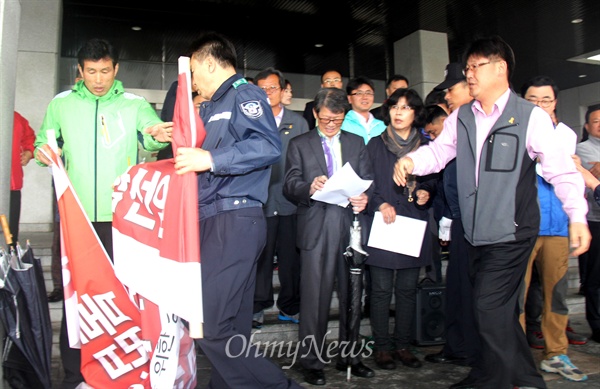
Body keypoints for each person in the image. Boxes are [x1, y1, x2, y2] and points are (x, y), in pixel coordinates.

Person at [392, 35, 590, 389]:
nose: (469, 74)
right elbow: (439, 153)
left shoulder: (530, 117)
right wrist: (411, 160)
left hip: (513, 232)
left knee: (487, 306)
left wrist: (577, 215)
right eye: (467, 67)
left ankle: (492, 380)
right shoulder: (462, 117)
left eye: (475, 66)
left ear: (500, 68)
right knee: (494, 311)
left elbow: (561, 170)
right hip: (474, 232)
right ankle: (527, 379)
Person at [34, 38, 173, 389]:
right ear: (80, 71)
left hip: (121, 219)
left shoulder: (133, 103)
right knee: (75, 296)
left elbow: (152, 136)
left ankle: (123, 364)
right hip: (76, 219)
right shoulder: (61, 104)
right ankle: (73, 373)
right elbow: (43, 141)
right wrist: (42, 152)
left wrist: (157, 135)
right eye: (92, 71)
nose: (99, 79)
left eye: (106, 71)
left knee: (123, 294)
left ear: (116, 69)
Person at [172, 31, 302, 389]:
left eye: (196, 72)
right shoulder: (210, 107)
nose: (194, 82)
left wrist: (210, 158)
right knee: (232, 326)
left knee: (210, 325)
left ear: (210, 63)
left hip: (233, 218)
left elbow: (266, 145)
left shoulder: (244, 94)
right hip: (217, 218)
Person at [283, 87, 375, 386]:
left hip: (350, 226)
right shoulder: (300, 144)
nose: (331, 124)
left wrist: (365, 197)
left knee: (352, 295)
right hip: (316, 227)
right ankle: (312, 361)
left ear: (344, 116)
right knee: (315, 298)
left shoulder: (356, 142)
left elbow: (367, 180)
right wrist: (310, 186)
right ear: (315, 114)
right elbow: (289, 184)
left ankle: (351, 356)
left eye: (336, 119)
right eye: (325, 119)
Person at [517, 75, 587, 381]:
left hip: (557, 226)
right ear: (523, 102)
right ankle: (515, 357)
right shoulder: (514, 133)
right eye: (532, 100)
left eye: (545, 100)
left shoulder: (566, 134)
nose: (539, 105)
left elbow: (562, 176)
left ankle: (556, 354)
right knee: (516, 297)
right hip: (522, 227)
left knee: (555, 296)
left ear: (555, 103)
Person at [365, 88, 437, 371]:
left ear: (416, 113)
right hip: (384, 222)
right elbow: (366, 181)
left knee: (407, 290)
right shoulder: (375, 144)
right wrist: (380, 204)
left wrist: (426, 193)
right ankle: (382, 348)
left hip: (413, 224)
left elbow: (434, 178)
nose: (398, 112)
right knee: (381, 291)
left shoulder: (427, 145)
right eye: (394, 106)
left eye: (406, 108)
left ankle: (404, 346)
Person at [424, 63, 479, 369]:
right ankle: (455, 345)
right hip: (459, 219)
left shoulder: (482, 122)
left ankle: (471, 350)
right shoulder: (460, 121)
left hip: (477, 222)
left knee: (471, 290)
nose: (447, 95)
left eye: (451, 88)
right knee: (456, 287)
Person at [252, 67, 308, 329]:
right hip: (260, 203)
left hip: (290, 203)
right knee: (260, 259)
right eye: (261, 89)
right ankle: (258, 306)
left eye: (272, 88)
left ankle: (290, 306)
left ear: (283, 90)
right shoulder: (248, 121)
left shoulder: (299, 123)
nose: (267, 93)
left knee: (290, 260)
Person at [575, 104, 600, 344]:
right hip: (594, 219)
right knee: (595, 278)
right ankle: (597, 324)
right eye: (596, 121)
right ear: (587, 126)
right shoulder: (580, 149)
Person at [9, 111, 35, 247]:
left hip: (11, 187)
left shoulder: (14, 117)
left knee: (10, 236)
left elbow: (30, 138)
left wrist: (29, 152)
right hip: (10, 185)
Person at [341, 76, 386, 144]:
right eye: (359, 93)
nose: (365, 97)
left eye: (368, 93)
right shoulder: (342, 124)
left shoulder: (383, 126)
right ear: (349, 99)